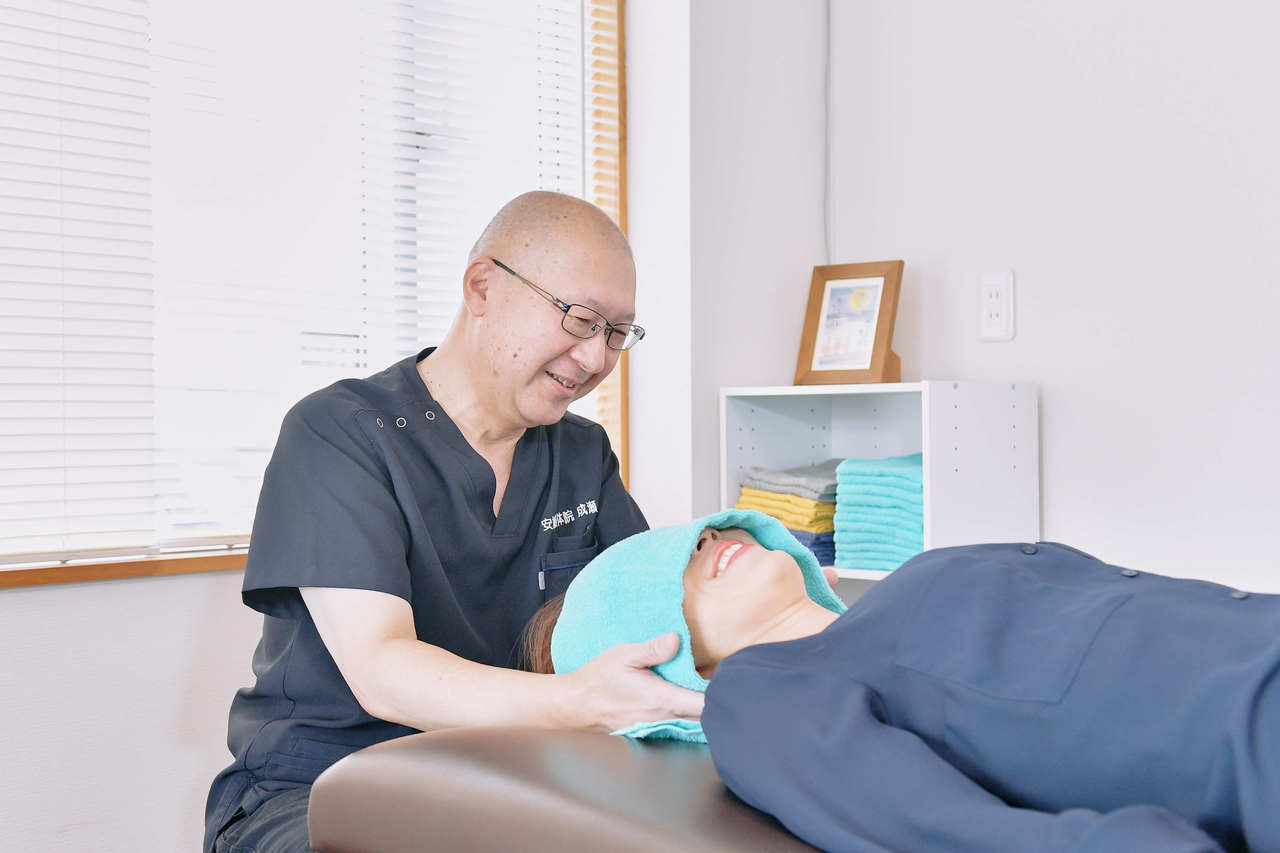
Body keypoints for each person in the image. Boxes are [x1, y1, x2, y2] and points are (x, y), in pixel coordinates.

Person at [204, 191, 705, 853]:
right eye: (581, 320)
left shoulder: (582, 454)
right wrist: (581, 702)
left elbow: (653, 612)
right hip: (321, 787)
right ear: (482, 288)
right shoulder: (341, 433)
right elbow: (381, 669)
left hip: (514, 779)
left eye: (616, 333)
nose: (595, 360)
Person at [534, 508, 1279, 852]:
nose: (708, 542)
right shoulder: (759, 695)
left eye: (706, 532)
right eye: (678, 563)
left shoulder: (894, 593)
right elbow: (948, 832)